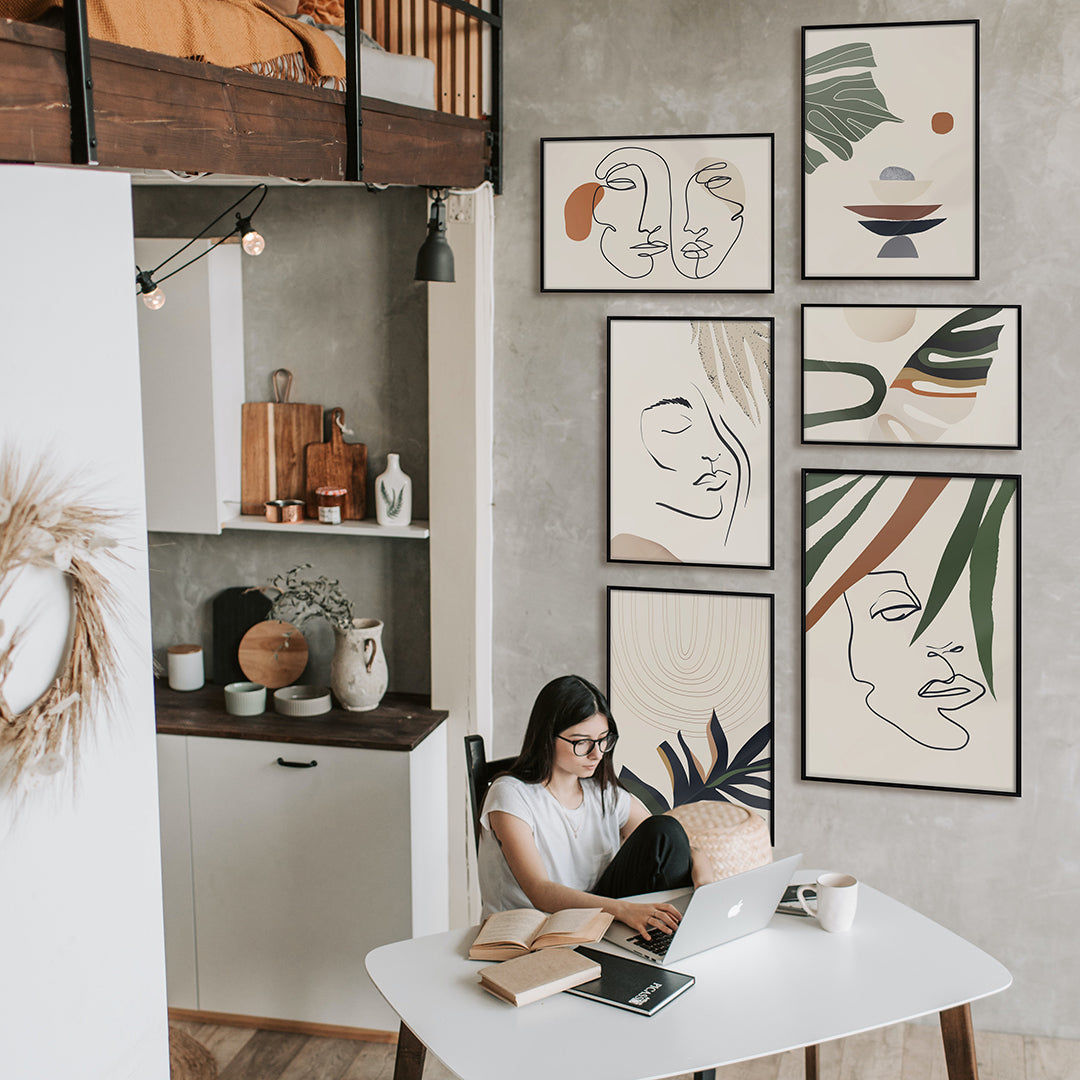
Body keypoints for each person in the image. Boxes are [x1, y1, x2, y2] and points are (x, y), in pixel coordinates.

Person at [478, 674, 693, 940]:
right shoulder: (510, 795)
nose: (597, 754)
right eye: (582, 743)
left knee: (665, 829)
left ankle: (671, 939)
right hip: (531, 933)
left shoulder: (602, 792)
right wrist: (624, 910)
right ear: (547, 736)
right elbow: (539, 889)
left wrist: (704, 882)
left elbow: (669, 841)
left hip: (594, 921)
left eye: (604, 740)